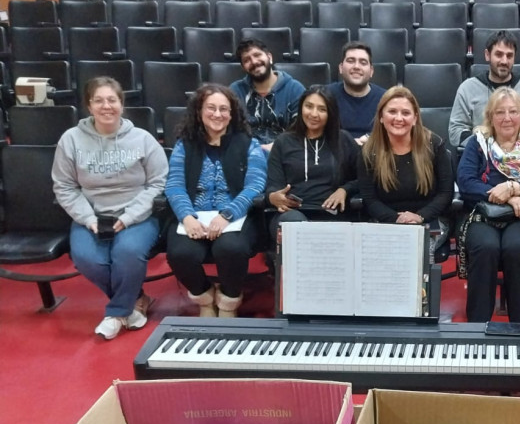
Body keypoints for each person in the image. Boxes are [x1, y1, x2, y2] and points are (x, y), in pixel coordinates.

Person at [52, 76, 168, 340]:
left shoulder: (143, 139)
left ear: (122, 104)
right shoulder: (70, 140)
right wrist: (87, 218)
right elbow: (64, 187)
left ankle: (116, 313)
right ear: (89, 106)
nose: (106, 106)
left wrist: (129, 217)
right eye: (99, 100)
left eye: (112, 100)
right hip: (91, 216)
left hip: (136, 215)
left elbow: (159, 183)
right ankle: (135, 301)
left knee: (127, 253)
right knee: (86, 259)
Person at [165, 84, 268, 318]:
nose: (217, 114)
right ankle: (205, 297)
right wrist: (187, 217)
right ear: (199, 111)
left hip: (235, 217)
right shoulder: (185, 144)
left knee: (231, 248)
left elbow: (255, 185)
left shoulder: (248, 144)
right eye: (211, 108)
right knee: (181, 254)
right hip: (192, 215)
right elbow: (174, 185)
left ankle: (229, 302)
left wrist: (227, 215)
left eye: (224, 109)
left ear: (232, 114)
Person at [456, 87, 520, 323]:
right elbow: (465, 182)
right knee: (485, 247)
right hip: (482, 214)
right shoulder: (477, 144)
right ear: (490, 117)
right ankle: (478, 325)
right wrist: (507, 196)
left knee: (516, 247)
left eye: (513, 111)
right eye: (500, 112)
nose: (507, 118)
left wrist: (514, 188)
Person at [265, 86, 360, 235]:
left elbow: (364, 178)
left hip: (332, 216)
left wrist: (345, 190)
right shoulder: (283, 142)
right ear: (301, 107)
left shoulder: (343, 140)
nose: (314, 114)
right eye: (309, 106)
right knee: (294, 224)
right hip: (291, 214)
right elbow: (273, 185)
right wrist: (273, 197)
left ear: (330, 113)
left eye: (322, 109)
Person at [357, 86, 454, 230]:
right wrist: (397, 220)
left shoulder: (434, 144)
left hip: (429, 220)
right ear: (381, 117)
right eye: (392, 112)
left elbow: (445, 193)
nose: (399, 118)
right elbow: (369, 199)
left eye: (406, 113)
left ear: (415, 118)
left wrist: (420, 217)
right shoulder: (369, 151)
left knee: (422, 250)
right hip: (385, 222)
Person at [449, 30, 520, 148]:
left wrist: (514, 143)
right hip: (481, 158)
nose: (504, 61)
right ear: (487, 55)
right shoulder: (467, 88)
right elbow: (455, 133)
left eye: (509, 55)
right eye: (499, 54)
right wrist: (485, 141)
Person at [229, 39, 305, 152]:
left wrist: (275, 147)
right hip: (247, 153)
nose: (254, 61)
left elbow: (301, 129)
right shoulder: (236, 91)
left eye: (257, 55)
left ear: (270, 57)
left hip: (286, 152)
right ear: (243, 67)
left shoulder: (295, 89)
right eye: (247, 60)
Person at [326, 42, 386, 145]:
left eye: (363, 62)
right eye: (350, 61)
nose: (356, 66)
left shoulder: (385, 99)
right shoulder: (326, 96)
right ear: (341, 68)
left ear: (371, 71)